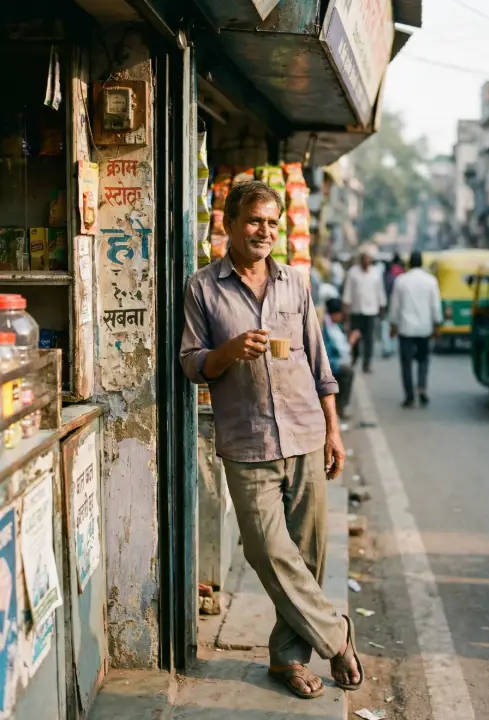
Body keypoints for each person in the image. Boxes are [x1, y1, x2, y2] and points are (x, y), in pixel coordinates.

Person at [180, 181, 363, 700]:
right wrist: (228, 351)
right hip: (247, 440)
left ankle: (287, 658)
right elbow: (191, 364)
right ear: (230, 225)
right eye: (255, 221)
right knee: (266, 551)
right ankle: (336, 634)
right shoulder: (202, 288)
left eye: (272, 224)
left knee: (306, 556)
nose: (264, 232)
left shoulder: (295, 283)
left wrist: (333, 429)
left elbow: (318, 361)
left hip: (305, 431)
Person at [389, 250, 442, 408]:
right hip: (425, 328)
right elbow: (435, 305)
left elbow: (395, 305)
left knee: (406, 363)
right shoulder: (431, 281)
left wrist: (393, 325)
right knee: (423, 361)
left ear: (409, 264)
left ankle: (409, 395)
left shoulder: (401, 281)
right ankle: (422, 388)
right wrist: (437, 324)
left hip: (406, 328)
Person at [342, 249, 387, 372]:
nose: (366, 262)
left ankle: (367, 363)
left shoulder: (376, 273)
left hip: (371, 311)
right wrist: (346, 306)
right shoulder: (353, 273)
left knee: (369, 339)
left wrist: (382, 306)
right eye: (364, 259)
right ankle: (355, 356)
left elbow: (380, 291)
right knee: (355, 336)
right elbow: (348, 291)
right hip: (356, 310)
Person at [322, 298, 357, 420]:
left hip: (331, 359)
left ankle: (339, 407)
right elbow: (341, 350)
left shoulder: (331, 325)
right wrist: (351, 341)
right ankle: (340, 407)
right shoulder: (327, 328)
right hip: (329, 362)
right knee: (347, 372)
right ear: (335, 314)